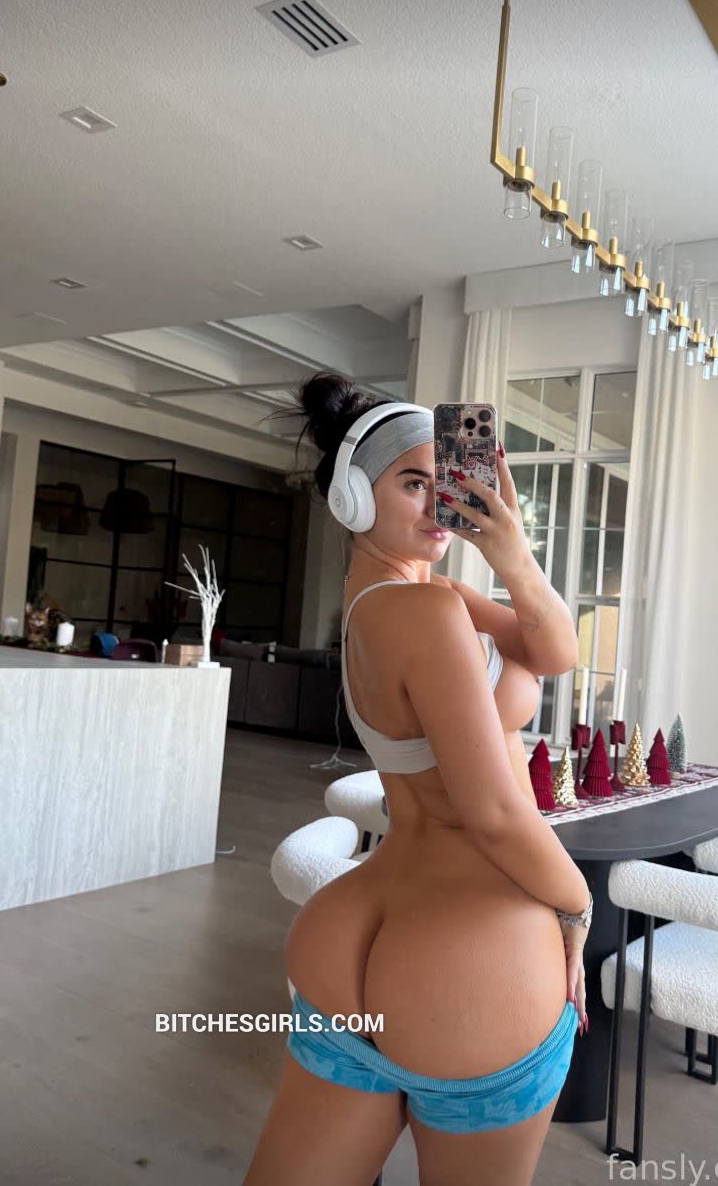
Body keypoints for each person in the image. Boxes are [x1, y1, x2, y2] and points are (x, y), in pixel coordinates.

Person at [243, 373, 592, 1186]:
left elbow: (555, 652)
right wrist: (576, 907)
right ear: (352, 498)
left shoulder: (402, 597)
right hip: (466, 958)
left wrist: (511, 551)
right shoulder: (427, 610)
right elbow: (492, 812)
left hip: (350, 935)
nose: (440, 503)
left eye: (449, 483)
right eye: (412, 483)